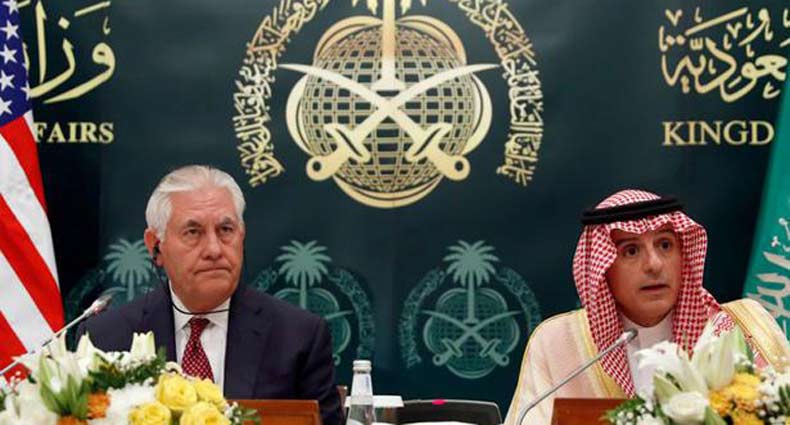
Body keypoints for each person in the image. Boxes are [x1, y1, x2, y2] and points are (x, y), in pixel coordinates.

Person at [77, 165, 343, 425]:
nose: (214, 250)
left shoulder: (298, 337)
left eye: (225, 230)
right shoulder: (105, 339)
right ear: (155, 245)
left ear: (241, 235)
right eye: (193, 232)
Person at [504, 189, 790, 425]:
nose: (654, 264)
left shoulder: (740, 327)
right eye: (631, 251)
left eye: (665, 245)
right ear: (602, 270)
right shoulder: (558, 342)